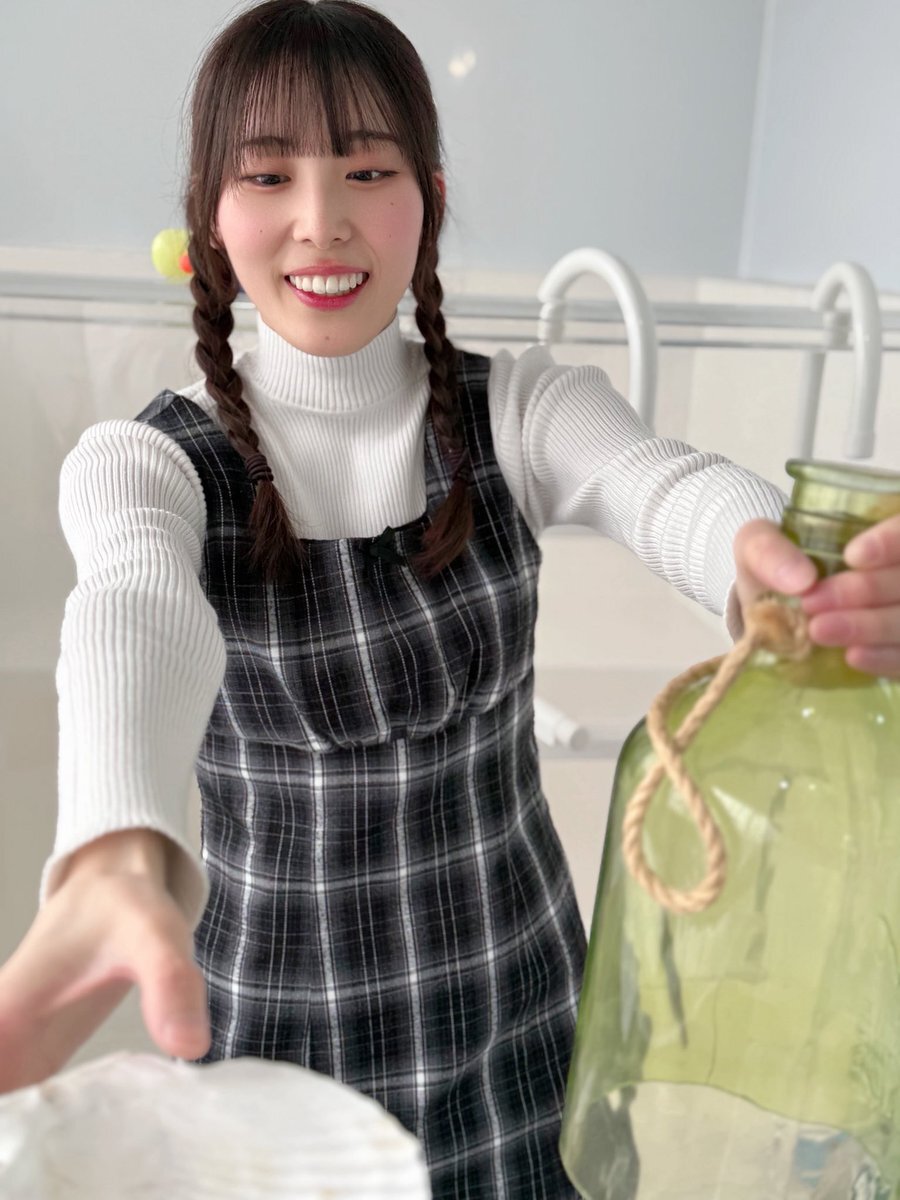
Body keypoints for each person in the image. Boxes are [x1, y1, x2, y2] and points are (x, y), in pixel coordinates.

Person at [1, 1, 899, 1196]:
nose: (321, 220)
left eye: (367, 171)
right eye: (267, 176)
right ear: (211, 217)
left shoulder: (519, 410)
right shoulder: (149, 462)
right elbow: (130, 607)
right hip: (278, 1038)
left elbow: (664, 486)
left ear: (426, 197)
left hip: (518, 1013)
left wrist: (786, 566)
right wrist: (115, 848)